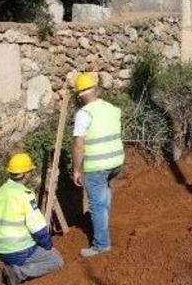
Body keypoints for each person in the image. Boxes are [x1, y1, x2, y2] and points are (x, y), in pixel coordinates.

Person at [71, 72, 125, 258]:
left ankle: (101, 244)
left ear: (79, 95)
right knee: (104, 194)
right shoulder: (111, 108)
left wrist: (77, 170)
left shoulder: (83, 114)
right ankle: (103, 222)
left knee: (97, 205)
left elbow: (79, 146)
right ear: (95, 89)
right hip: (116, 163)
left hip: (97, 166)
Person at [0, 152, 64, 285]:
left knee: (32, 250)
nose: (31, 173)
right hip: (19, 248)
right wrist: (48, 246)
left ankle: (6, 263)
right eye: (30, 170)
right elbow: (39, 229)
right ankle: (16, 273)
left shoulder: (0, 192)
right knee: (57, 261)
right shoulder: (25, 195)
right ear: (24, 174)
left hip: (1, 249)